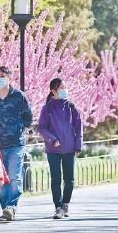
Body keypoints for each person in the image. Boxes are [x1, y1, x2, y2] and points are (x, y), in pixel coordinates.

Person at [0, 66, 33, 221]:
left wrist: (20, 128)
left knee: (14, 176)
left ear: (9, 78)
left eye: (2, 75)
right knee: (1, 178)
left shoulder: (19, 96)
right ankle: (5, 208)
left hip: (16, 144)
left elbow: (28, 116)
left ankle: (11, 207)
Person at [38, 78, 83, 219]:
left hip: (69, 149)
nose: (65, 90)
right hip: (53, 150)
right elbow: (41, 128)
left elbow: (79, 128)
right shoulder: (47, 108)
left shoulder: (72, 108)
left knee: (69, 179)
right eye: (62, 88)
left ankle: (65, 204)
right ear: (53, 91)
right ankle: (58, 207)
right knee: (56, 179)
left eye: (65, 87)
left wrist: (78, 145)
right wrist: (52, 139)